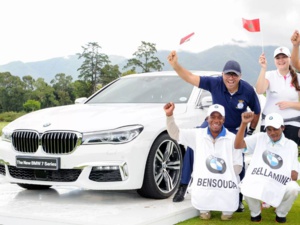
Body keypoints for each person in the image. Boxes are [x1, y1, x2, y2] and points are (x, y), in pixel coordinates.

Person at [167, 51, 261, 212]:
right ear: (222, 74)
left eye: (235, 75)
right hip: (214, 123)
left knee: (238, 157)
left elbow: (257, 111)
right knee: (193, 143)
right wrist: (176, 66)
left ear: (240, 76)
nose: (231, 78)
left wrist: (250, 131)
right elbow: (190, 77)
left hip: (235, 128)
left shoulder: (247, 90)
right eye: (228, 75)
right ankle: (183, 185)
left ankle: (237, 197)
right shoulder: (215, 83)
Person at [164, 103, 243, 221]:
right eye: (213, 117)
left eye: (219, 117)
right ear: (207, 118)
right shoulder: (198, 134)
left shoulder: (232, 138)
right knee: (204, 214)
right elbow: (175, 134)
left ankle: (225, 209)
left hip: (225, 184)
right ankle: (205, 209)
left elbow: (238, 166)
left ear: (224, 119)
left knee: (226, 215)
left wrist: (221, 175)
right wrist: (169, 116)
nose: (216, 120)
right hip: (204, 183)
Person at [234, 111, 299, 223]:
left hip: (278, 182)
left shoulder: (291, 145)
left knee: (294, 188)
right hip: (261, 179)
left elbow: (294, 172)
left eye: (275, 129)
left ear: (282, 128)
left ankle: (281, 213)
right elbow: (238, 145)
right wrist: (244, 124)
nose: (272, 133)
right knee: (245, 184)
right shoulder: (260, 137)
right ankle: (255, 213)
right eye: (269, 129)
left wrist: (292, 171)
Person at [255, 46, 300, 146]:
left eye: (284, 57)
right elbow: (259, 90)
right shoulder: (268, 75)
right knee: (268, 155)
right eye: (278, 58)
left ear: (290, 58)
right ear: (274, 60)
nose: (281, 60)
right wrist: (263, 68)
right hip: (269, 124)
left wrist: (290, 104)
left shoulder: (298, 78)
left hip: (292, 124)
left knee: (288, 156)